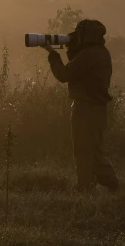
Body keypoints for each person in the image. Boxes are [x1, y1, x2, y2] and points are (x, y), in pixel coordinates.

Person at [41, 19, 120, 193]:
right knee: (95, 149)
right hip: (98, 109)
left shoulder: (89, 55)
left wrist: (52, 53)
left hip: (86, 109)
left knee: (83, 149)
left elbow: (64, 74)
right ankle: (110, 183)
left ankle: (85, 188)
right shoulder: (101, 52)